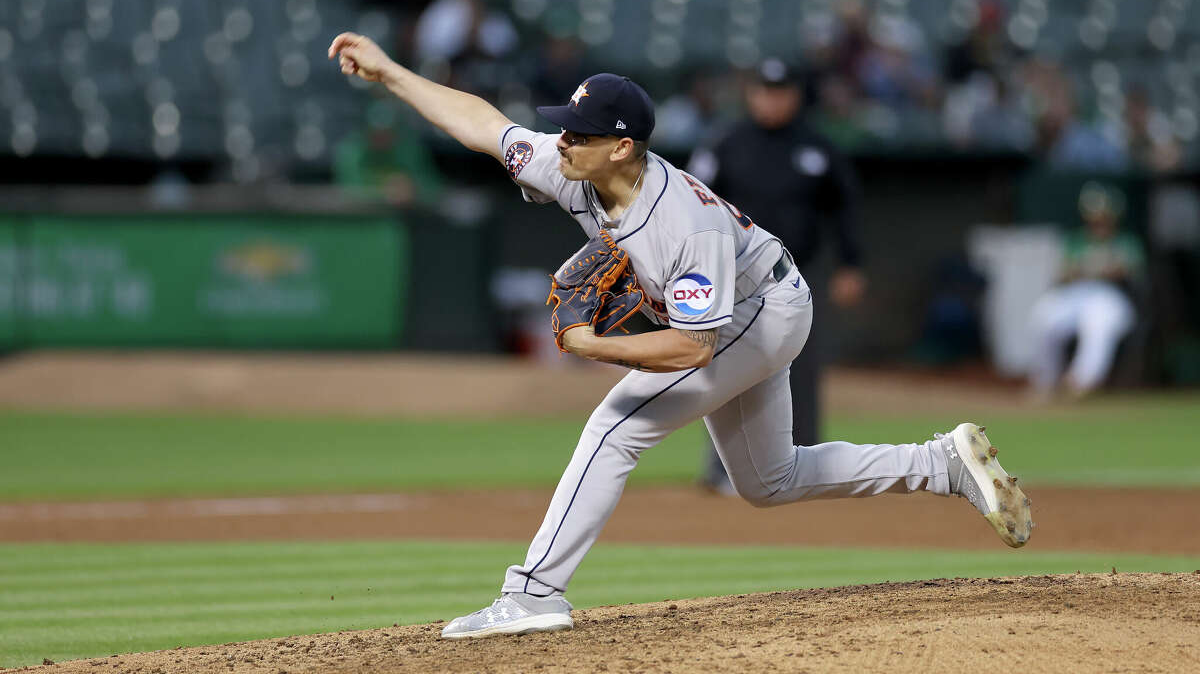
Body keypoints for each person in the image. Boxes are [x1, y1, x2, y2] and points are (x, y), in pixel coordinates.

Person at [327, 32, 1032, 640]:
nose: (561, 141)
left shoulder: (680, 227)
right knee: (768, 480)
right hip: (751, 308)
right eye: (564, 129)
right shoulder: (576, 169)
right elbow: (483, 124)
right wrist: (389, 72)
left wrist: (589, 347)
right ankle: (940, 464)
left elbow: (691, 350)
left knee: (614, 427)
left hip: (764, 310)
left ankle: (533, 593)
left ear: (622, 146)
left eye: (578, 133)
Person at [688, 59, 866, 491]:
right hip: (734, 277)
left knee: (800, 369)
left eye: (780, 91)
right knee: (728, 366)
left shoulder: (818, 148)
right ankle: (725, 468)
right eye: (764, 90)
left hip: (797, 276)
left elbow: (846, 207)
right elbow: (693, 203)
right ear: (752, 94)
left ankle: (805, 463)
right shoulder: (726, 145)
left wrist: (851, 263)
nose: (772, 99)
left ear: (795, 95)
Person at [1027, 183, 1146, 399]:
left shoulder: (1126, 241)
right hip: (1076, 293)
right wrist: (1086, 269)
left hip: (1111, 296)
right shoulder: (1076, 240)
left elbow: (1127, 270)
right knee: (1043, 317)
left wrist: (1097, 269)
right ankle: (1045, 381)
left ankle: (1080, 382)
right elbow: (1064, 273)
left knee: (1098, 323)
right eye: (1094, 215)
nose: (1099, 220)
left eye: (1103, 215)